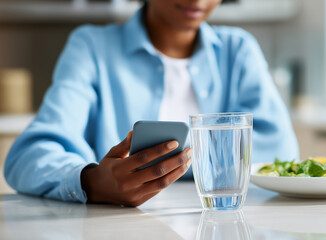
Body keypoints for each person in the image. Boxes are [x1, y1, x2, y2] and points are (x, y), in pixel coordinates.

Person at [4, 0, 299, 207]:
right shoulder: (91, 48)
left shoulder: (238, 50)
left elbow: (280, 154)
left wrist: (181, 167)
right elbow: (29, 156)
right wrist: (91, 182)